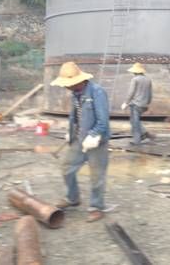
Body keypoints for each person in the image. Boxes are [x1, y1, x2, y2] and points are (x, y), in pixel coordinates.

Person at [50, 61, 110, 223]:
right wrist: (70, 133)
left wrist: (94, 135)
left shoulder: (97, 92)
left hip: (96, 142)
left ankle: (96, 207)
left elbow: (103, 120)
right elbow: (75, 116)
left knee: (97, 175)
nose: (65, 87)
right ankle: (73, 198)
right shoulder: (75, 93)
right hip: (79, 138)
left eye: (67, 84)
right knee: (66, 167)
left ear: (78, 81)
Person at [120, 62, 154, 145]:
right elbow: (150, 93)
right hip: (144, 104)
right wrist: (148, 102)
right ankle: (144, 133)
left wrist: (126, 103)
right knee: (134, 120)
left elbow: (131, 92)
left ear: (135, 72)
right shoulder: (148, 79)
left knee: (135, 122)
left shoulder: (135, 79)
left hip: (136, 104)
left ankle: (137, 140)